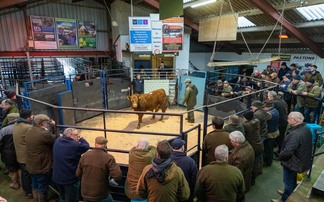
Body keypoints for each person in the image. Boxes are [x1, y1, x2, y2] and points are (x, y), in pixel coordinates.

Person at [271, 112, 312, 202]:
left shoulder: (295, 135)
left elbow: (287, 152)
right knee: (293, 181)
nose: (287, 120)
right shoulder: (305, 128)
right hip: (302, 161)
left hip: (293, 164)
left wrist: (280, 156)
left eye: (289, 118)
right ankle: (288, 192)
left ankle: (285, 199)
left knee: (288, 182)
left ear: (294, 121)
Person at [76, 136, 122, 202]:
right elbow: (117, 176)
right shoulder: (108, 158)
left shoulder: (85, 155)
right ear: (105, 145)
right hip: (100, 194)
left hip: (85, 192)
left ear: (95, 144)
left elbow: (78, 173)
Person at [52, 128, 90, 202]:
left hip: (57, 176)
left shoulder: (57, 141)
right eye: (76, 135)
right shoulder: (74, 145)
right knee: (72, 199)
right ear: (70, 135)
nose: (77, 136)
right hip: (70, 179)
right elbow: (86, 146)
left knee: (62, 197)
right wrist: (81, 139)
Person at [26, 114, 56, 201]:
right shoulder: (43, 133)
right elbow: (55, 139)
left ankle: (36, 199)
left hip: (31, 164)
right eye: (47, 122)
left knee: (35, 184)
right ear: (42, 123)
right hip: (41, 166)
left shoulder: (30, 130)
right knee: (42, 186)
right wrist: (54, 126)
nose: (47, 124)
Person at [12, 109, 34, 198]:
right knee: (29, 175)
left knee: (25, 174)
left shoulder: (16, 124)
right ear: (28, 117)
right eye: (32, 116)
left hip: (20, 155)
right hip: (26, 156)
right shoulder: (27, 127)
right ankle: (30, 192)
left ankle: (26, 191)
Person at [242, 111, 264, 185]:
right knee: (257, 161)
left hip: (253, 147)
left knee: (252, 165)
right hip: (259, 145)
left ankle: (252, 180)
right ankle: (259, 171)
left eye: (244, 117)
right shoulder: (256, 122)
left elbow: (241, 125)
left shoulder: (246, 125)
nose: (243, 119)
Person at [0, 113, 20, 190]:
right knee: (20, 168)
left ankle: (15, 184)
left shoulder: (4, 130)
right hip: (20, 151)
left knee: (12, 170)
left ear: (8, 119)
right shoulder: (22, 127)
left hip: (8, 153)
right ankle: (23, 185)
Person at [267, 91, 288, 157]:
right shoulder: (281, 100)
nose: (267, 97)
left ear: (271, 97)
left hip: (280, 123)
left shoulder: (274, 103)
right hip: (284, 120)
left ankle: (280, 153)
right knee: (281, 137)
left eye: (268, 96)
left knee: (280, 139)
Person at [263, 100, 280, 167]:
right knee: (269, 148)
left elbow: (266, 116)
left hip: (271, 134)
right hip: (274, 132)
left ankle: (268, 162)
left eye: (264, 108)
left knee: (268, 149)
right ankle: (268, 161)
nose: (263, 109)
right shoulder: (275, 110)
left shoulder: (270, 114)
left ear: (267, 107)